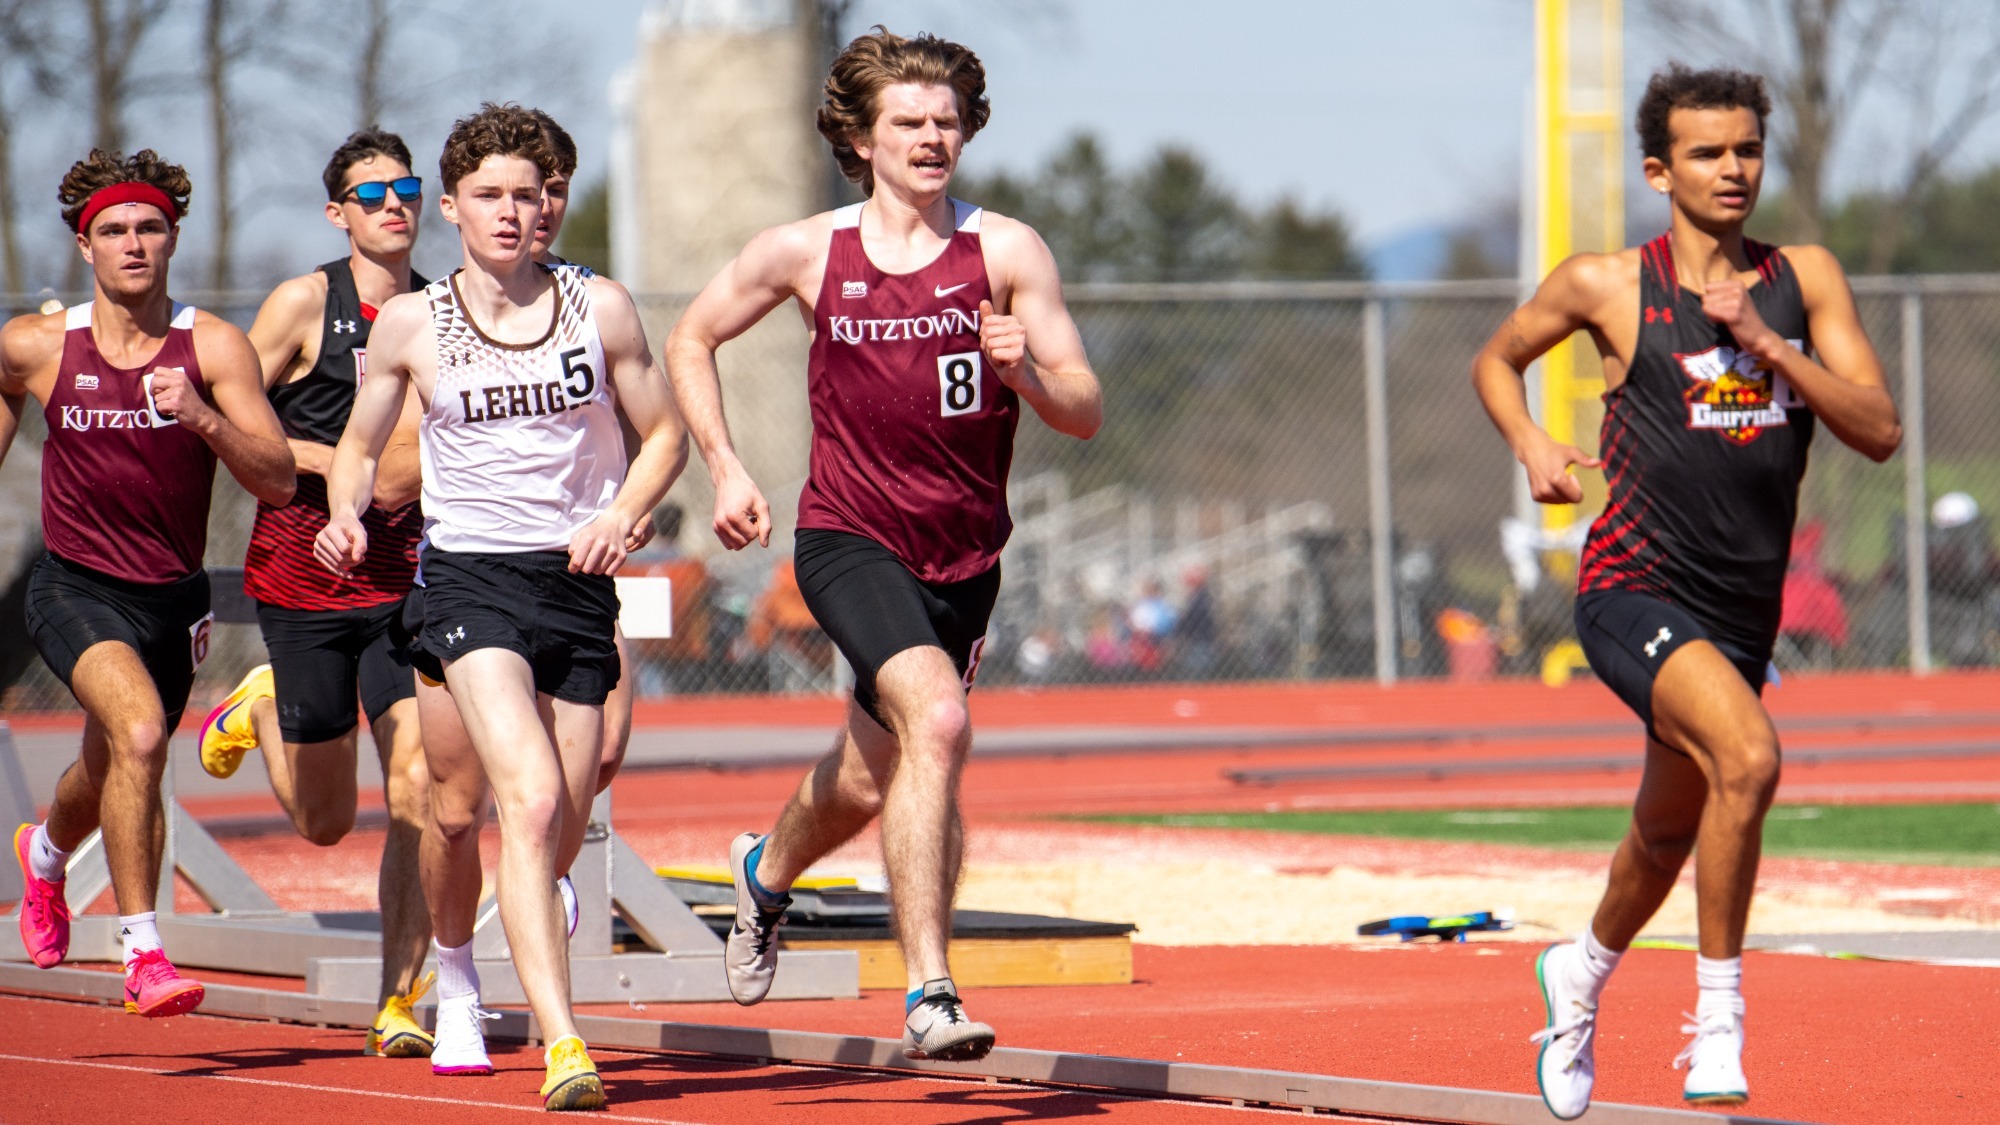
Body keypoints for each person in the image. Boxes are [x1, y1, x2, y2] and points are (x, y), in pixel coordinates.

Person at [1471, 64, 1900, 1117]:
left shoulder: (1805, 279)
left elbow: (1877, 430)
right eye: (1706, 153)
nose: (1731, 169)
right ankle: (1717, 1023)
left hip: (1739, 611)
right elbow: (1496, 358)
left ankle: (1576, 975)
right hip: (1630, 585)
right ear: (1659, 170)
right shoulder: (1609, 282)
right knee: (1747, 756)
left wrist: (1763, 342)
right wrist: (1527, 437)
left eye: (1746, 149)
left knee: (1665, 833)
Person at [665, 28, 1101, 1061]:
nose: (931, 136)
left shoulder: (1005, 252)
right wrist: (723, 464)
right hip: (846, 538)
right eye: (909, 121)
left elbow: (1083, 405)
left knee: (870, 778)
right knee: (939, 722)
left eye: (947, 120)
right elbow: (692, 335)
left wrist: (1026, 374)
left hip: (965, 559)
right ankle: (928, 993)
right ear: (862, 138)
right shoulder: (809, 250)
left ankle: (764, 872)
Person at [314, 103, 683, 1111]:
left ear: (551, 203)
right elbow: (355, 444)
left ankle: (513, 913)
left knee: (548, 815)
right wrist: (344, 512)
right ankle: (527, 1021)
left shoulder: (598, 308)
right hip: (468, 579)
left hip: (573, 577)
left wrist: (626, 511)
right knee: (488, 802)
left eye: (530, 194)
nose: (514, 213)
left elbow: (663, 434)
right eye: (490, 197)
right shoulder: (412, 324)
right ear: (451, 209)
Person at [3, 149, 294, 1016]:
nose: (134, 244)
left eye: (150, 229)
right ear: (83, 246)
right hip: (74, 585)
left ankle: (45, 858)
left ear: (172, 240)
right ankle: (144, 952)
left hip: (173, 597)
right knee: (136, 736)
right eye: (114, 231)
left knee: (111, 765)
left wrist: (200, 414)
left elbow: (277, 477)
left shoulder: (212, 347)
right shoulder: (36, 346)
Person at [195, 127, 435, 1057]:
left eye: (405, 188)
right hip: (305, 574)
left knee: (417, 784)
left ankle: (398, 1000)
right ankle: (258, 710)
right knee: (326, 823)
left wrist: (385, 474)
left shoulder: (442, 308)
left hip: (407, 578)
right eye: (369, 195)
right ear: (337, 213)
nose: (393, 206)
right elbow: (230, 421)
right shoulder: (304, 302)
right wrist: (336, 461)